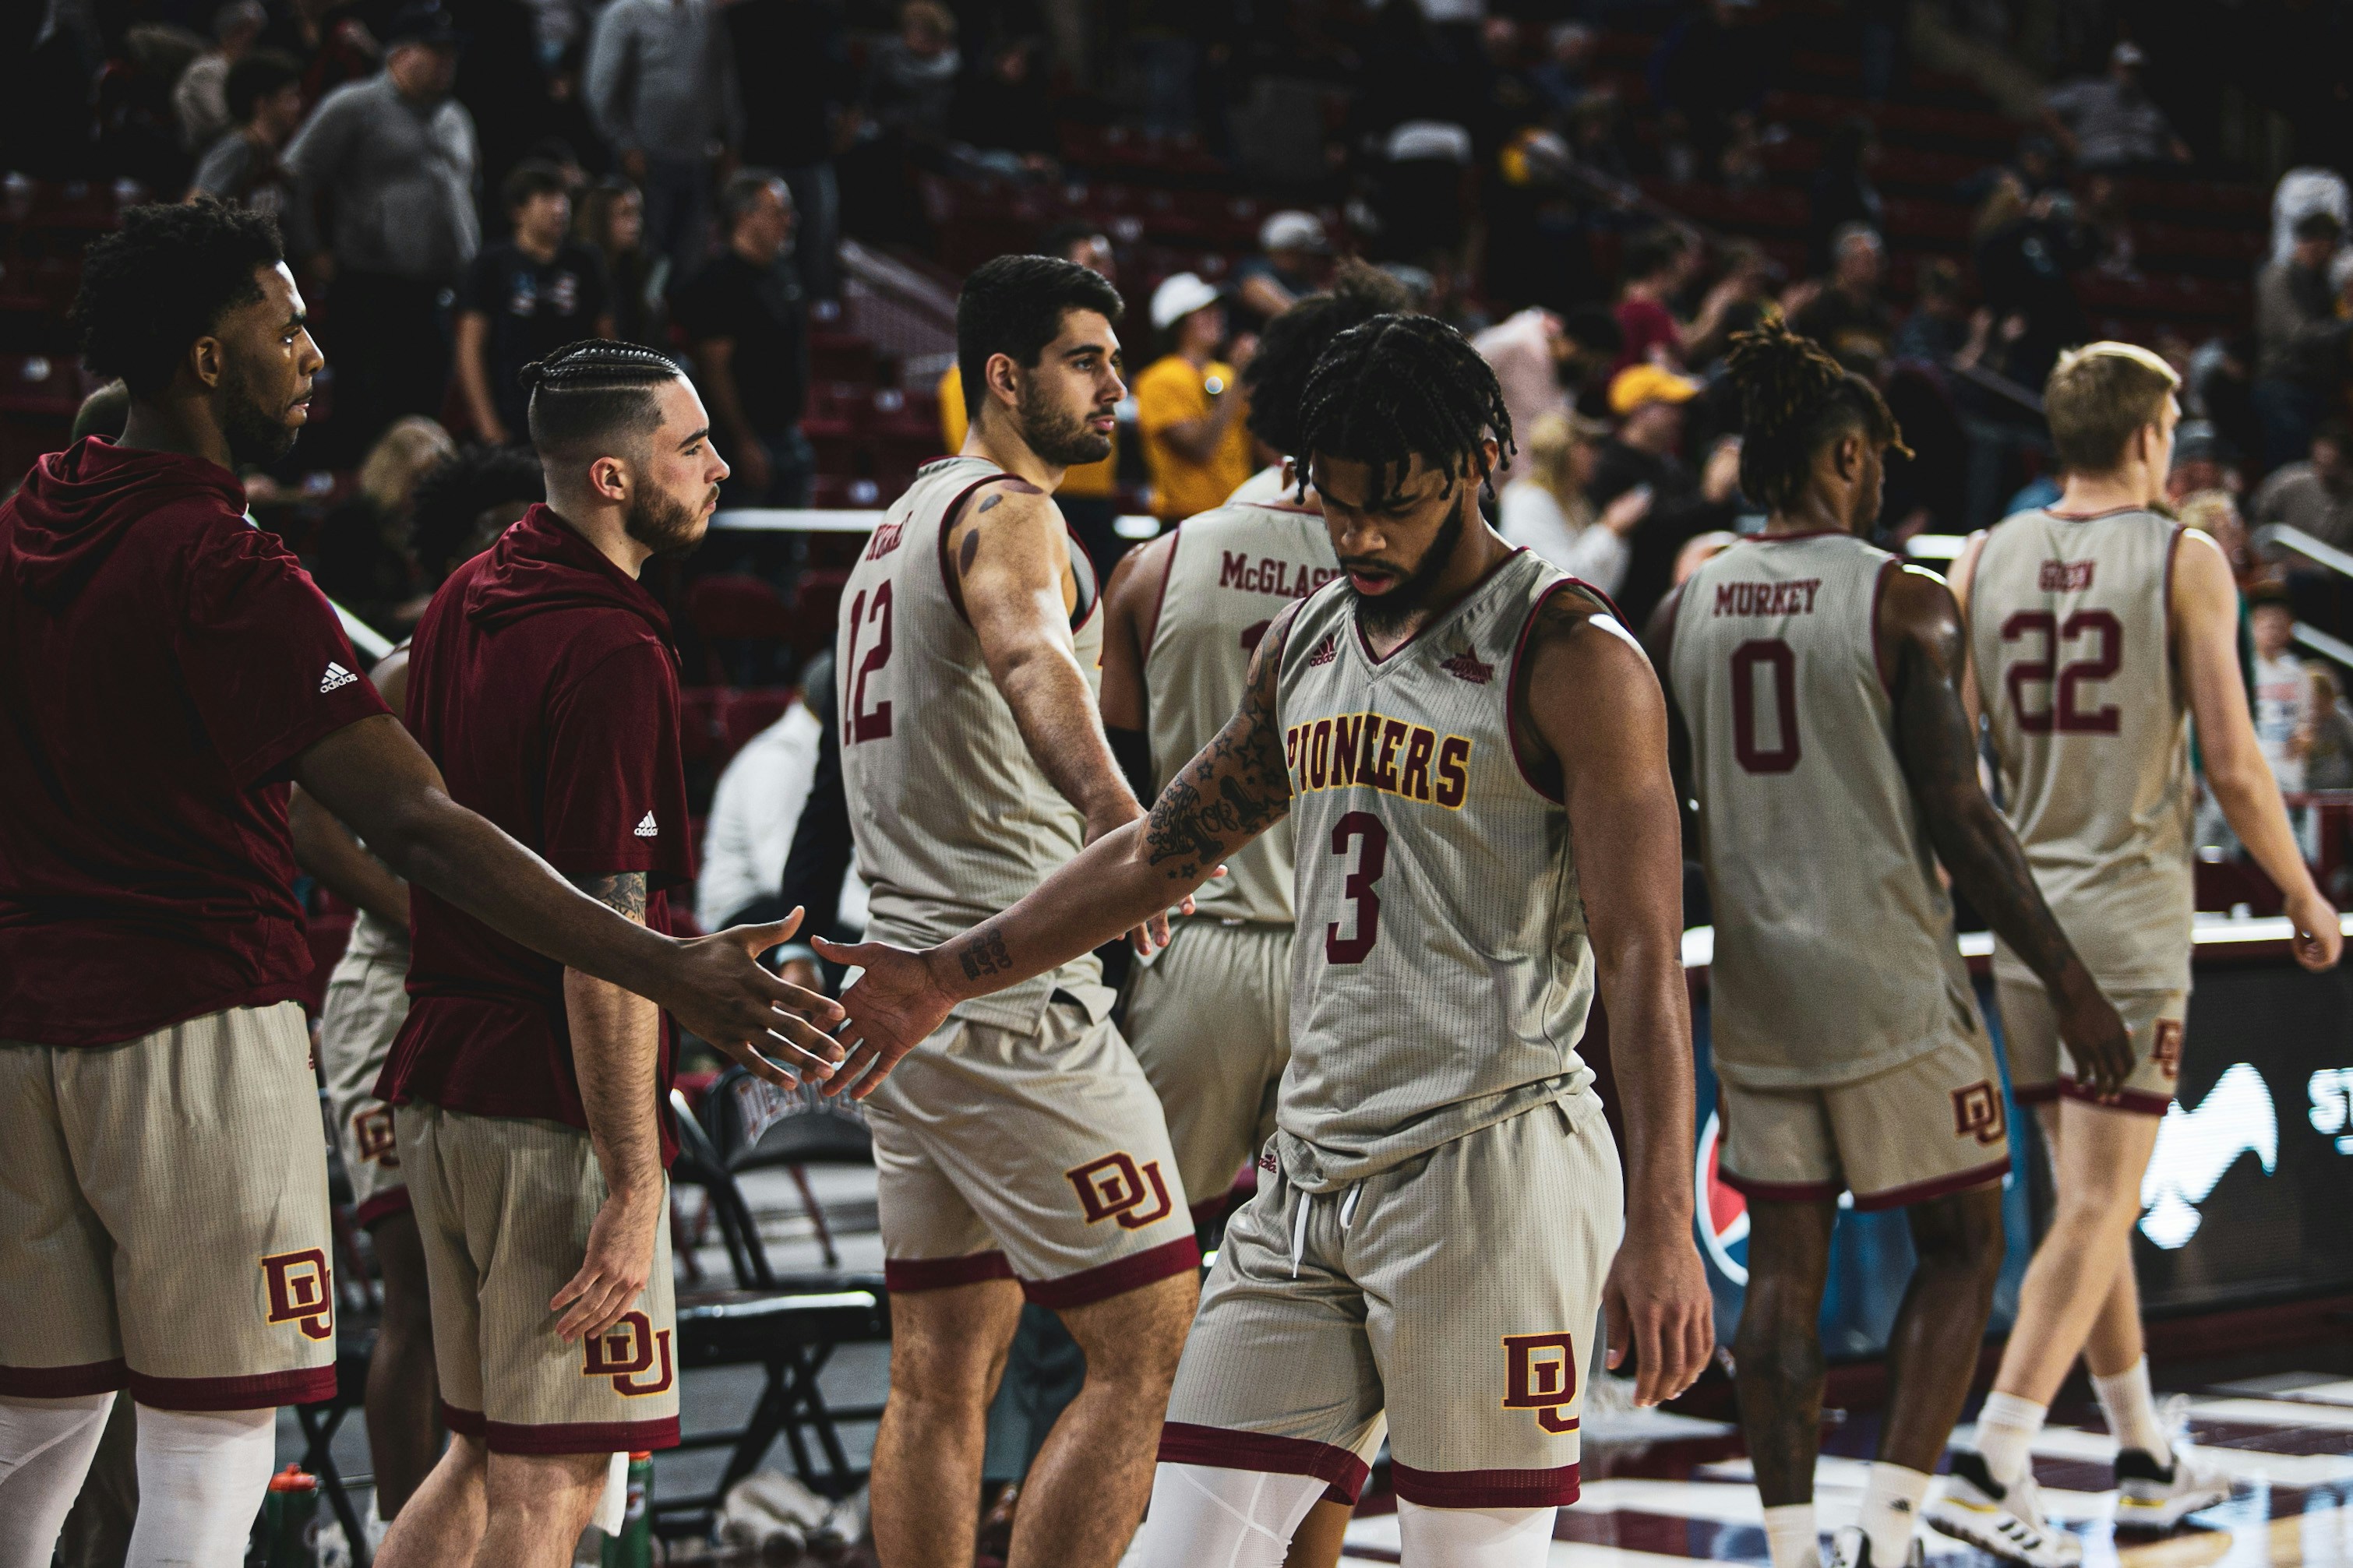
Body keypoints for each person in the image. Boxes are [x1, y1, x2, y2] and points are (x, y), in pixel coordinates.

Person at [0, 202, 831, 1567]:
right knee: (220, 1434)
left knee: (41, 1419)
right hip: (195, 1022)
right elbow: (422, 822)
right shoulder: (231, 566)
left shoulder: (35, 511)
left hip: (35, 1022)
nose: (315, 353)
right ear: (208, 361)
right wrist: (667, 968)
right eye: (288, 329)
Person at [822, 312, 1716, 1565]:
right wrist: (943, 976)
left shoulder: (1572, 657)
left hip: (1489, 1163)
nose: (1357, 535)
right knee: (1185, 1547)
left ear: (1472, 460)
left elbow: (1642, 963)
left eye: (1389, 505)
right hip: (1307, 1173)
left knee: (1471, 1552)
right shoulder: (1309, 635)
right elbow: (1156, 852)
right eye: (1335, 502)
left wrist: (1663, 1216)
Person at [1649, 319, 2131, 1568]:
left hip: (1755, 989)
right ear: (1848, 454)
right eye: (1876, 460)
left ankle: (1795, 1542)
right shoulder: (1902, 601)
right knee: (1967, 1243)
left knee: (1788, 1276)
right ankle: (1893, 1526)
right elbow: (1965, 827)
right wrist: (2072, 984)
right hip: (1891, 984)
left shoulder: (1682, 602)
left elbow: (1679, 815)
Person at [369, 342, 820, 1564]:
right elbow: (608, 946)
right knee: (549, 1479)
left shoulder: (472, 589)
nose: (723, 467)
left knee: (475, 1454)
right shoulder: (614, 647)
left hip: (443, 1080)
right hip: (544, 1106)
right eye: (693, 448)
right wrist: (635, 1181)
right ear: (613, 477)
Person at [813, 255, 1200, 1568]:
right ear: (1005, 374)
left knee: (936, 1371)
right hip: (1001, 986)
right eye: (1088, 361)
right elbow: (1032, 650)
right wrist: (1111, 810)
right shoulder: (1011, 514)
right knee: (1149, 1333)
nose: (1117, 392)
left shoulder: (891, 528)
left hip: (909, 995)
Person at [1932, 343, 2343, 1557]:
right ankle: (1991, 1455)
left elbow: (1954, 767)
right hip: (2125, 915)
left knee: (2083, 1209)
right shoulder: (2185, 555)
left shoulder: (1981, 557)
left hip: (2023, 916)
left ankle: (2145, 1456)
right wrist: (2303, 893)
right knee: (2104, 1200)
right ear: (2152, 434)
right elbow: (2232, 758)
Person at [1093, 269, 1412, 1568]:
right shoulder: (1418, 565)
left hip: (1190, 949)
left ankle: (1125, 1531)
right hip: (1357, 967)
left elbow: (1108, 806)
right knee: (1343, 1322)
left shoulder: (1159, 560)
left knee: (1137, 1333)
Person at [288, 444, 547, 1541]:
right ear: (453, 550)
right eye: (502, 525)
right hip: (391, 995)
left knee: (510, 1298)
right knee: (418, 1297)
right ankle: (399, 1539)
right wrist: (420, 912)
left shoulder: (554, 657)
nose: (526, 539)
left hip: (495, 994)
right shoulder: (408, 663)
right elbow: (305, 815)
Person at [283, 4, 480, 464]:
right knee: (368, 412)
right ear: (400, 54)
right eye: (435, 52)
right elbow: (297, 173)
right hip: (372, 285)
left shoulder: (456, 117)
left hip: (438, 287)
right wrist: (312, 250)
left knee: (426, 410)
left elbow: (471, 191)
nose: (446, 63)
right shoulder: (355, 104)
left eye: (451, 54)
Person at [939, 224, 1127, 578]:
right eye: (1094, 260)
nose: (1107, 270)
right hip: (1023, 502)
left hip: (1094, 505)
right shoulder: (977, 370)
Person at [672, 170, 811, 507]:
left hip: (788, 433)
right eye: (777, 211)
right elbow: (715, 369)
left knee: (790, 550)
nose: (788, 221)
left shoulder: (784, 275)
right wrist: (743, 442)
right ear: (744, 216)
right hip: (741, 442)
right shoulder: (718, 283)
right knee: (742, 547)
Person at [456, 160, 614, 446]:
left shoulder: (585, 261)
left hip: (576, 418)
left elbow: (606, 340)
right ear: (518, 210)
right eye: (547, 198)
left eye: (563, 198)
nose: (559, 208)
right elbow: (470, 347)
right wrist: (488, 426)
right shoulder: (491, 264)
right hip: (512, 415)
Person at [584, 0, 741, 284]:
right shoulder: (625, 14)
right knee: (643, 256)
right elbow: (600, 89)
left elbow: (724, 80)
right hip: (645, 159)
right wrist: (625, 144)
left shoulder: (706, 14)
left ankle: (685, 321)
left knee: (692, 256)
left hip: (697, 156)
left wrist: (731, 140)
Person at [697, 651, 842, 934]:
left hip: (788, 899)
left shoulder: (817, 750)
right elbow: (780, 873)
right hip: (740, 913)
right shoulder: (777, 759)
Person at [726, 0, 848, 305]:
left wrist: (845, 126)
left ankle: (813, 314)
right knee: (754, 241)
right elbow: (726, 83)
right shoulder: (741, 15)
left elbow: (843, 78)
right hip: (758, 152)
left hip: (811, 152)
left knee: (816, 244)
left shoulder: (822, 13)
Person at [313, 414, 454, 636]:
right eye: (419, 478)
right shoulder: (351, 523)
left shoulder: (441, 525)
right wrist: (403, 613)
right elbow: (333, 608)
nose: (430, 490)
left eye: (437, 479)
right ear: (393, 475)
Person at [1137, 272, 1254, 523]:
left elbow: (1262, 444)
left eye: (1216, 309)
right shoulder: (1159, 379)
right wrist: (1239, 380)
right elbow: (1200, 449)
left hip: (1236, 515)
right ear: (1178, 324)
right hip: (1183, 519)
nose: (1216, 317)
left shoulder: (1224, 373)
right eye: (1204, 312)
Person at [1472, 304, 1624, 484]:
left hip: (1514, 490)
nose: (1595, 374)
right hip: (1474, 479)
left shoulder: (1567, 376)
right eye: (1596, 365)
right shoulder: (1512, 343)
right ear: (1576, 348)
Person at [1499, 410, 1648, 594]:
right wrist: (1610, 529)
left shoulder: (1575, 501)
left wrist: (1616, 533)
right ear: (1569, 451)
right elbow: (1561, 581)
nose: (1597, 454)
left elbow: (1601, 587)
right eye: (1589, 445)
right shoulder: (1529, 501)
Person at [2252, 212, 2351, 474]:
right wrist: (2346, 327)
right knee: (2289, 465)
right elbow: (2297, 334)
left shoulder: (2322, 283)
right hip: (2283, 385)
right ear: (2315, 243)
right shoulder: (2278, 276)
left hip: (2316, 387)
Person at [187, 47, 306, 223]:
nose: (299, 104)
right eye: (290, 97)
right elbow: (192, 209)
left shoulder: (274, 151)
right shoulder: (237, 148)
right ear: (262, 104)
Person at [2041, 43, 2191, 174]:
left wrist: (2183, 158)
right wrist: (2068, 141)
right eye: (2127, 68)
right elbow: (2047, 109)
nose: (2131, 75)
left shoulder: (2148, 107)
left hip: (2145, 169)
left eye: (2136, 70)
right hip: (2101, 165)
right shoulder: (2088, 90)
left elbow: (2172, 141)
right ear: (2113, 66)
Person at [577, 177, 667, 348]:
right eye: (625, 213)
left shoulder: (636, 269)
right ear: (601, 219)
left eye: (637, 213)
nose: (636, 223)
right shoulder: (582, 269)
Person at [1791, 224, 1895, 368]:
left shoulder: (1881, 313)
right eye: (1867, 260)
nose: (1876, 266)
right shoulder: (1816, 305)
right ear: (1845, 263)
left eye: (1878, 260)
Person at [173, 0, 266, 152]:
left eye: (253, 33)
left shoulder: (240, 69)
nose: (247, 39)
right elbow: (222, 121)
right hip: (204, 155)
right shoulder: (206, 70)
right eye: (241, 31)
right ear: (227, 33)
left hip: (232, 148)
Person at [2250, 420, 2353, 549]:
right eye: (2320, 463)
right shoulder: (2288, 483)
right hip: (2285, 560)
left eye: (2333, 464)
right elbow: (2256, 518)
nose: (2324, 471)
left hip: (2334, 566)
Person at [1235, 210, 1332, 325]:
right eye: (1305, 254)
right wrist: (1312, 317)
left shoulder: (1301, 281)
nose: (1312, 261)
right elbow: (1254, 289)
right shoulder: (1256, 266)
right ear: (1289, 251)